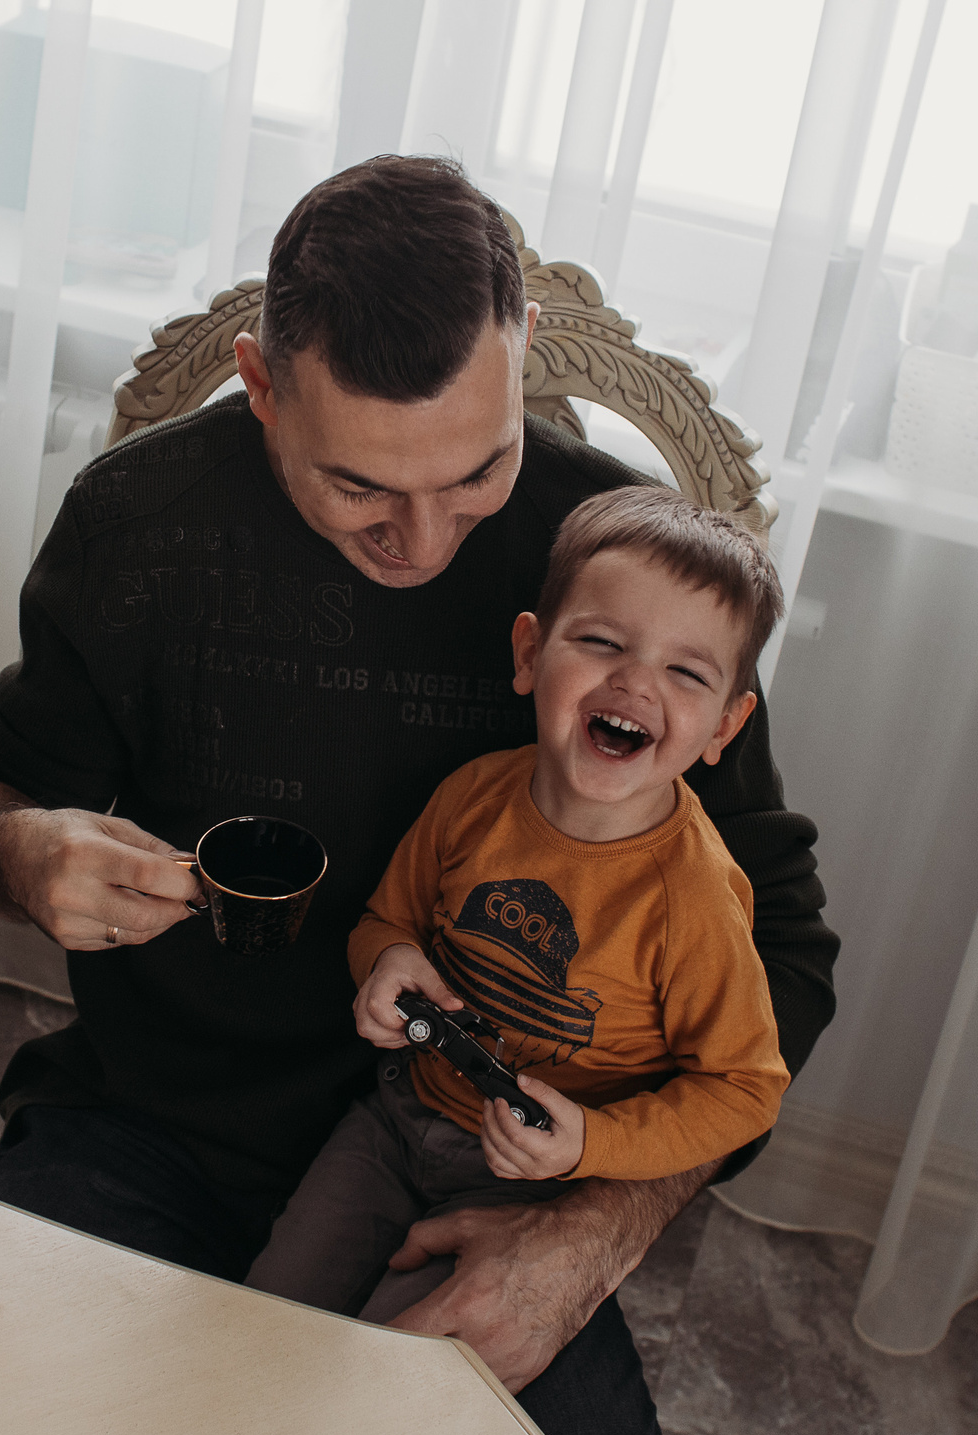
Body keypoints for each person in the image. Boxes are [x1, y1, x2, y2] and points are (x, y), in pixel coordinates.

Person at [0, 155, 838, 1435]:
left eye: (476, 474)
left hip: (478, 1177)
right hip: (154, 1125)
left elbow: (784, 948)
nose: (422, 543)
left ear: (523, 352)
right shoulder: (140, 520)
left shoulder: (619, 578)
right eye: (358, 485)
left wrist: (590, 1232)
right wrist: (24, 847)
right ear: (262, 383)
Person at [244, 486, 790, 1324]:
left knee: (404, 1364)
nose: (636, 681)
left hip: (534, 1186)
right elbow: (385, 922)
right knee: (270, 1308)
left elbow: (744, 1090)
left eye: (686, 672)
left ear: (725, 725)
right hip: (392, 1125)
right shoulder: (473, 796)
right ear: (531, 653)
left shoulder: (693, 895)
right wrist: (386, 964)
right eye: (602, 641)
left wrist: (593, 1143)